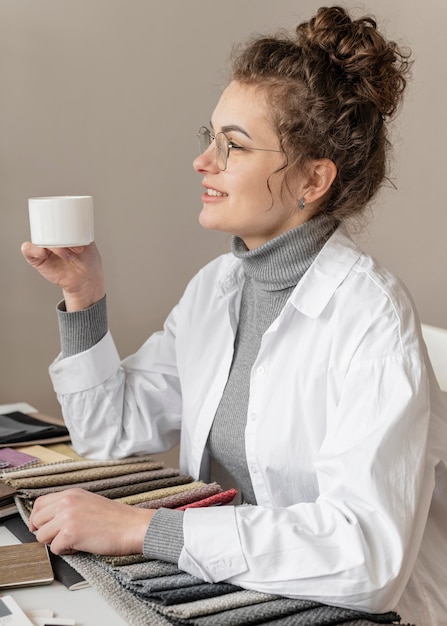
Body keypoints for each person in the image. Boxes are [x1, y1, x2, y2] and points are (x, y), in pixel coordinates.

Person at [21, 6, 446, 625]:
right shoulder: (220, 286)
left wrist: (149, 531)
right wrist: (84, 296)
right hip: (243, 589)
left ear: (313, 179)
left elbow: (365, 558)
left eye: (234, 146)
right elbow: (110, 430)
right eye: (209, 137)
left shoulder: (373, 319)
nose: (203, 161)